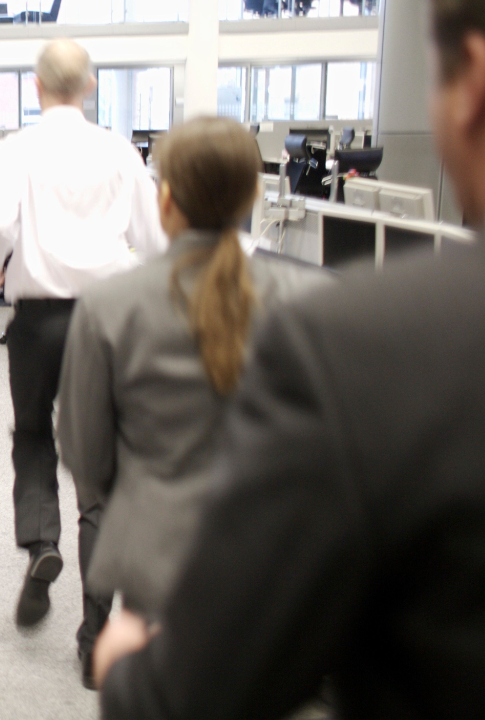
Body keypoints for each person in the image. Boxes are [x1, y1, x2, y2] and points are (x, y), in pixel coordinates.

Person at [93, 1, 485, 716]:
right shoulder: (312, 306)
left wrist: (126, 670)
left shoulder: (367, 342)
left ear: (474, 88)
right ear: (250, 194)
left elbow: (204, 690)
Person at [58, 117, 326, 629]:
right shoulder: (309, 299)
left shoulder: (110, 305)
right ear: (253, 195)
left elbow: (84, 456)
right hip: (274, 562)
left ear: (164, 199)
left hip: (156, 561)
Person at [0, 37, 168, 669]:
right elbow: (156, 240)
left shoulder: (16, 150)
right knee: (101, 474)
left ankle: (41, 542)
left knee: (33, 435)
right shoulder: (117, 150)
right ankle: (95, 643)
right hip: (109, 320)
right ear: (90, 86)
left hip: (40, 322)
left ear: (36, 86)